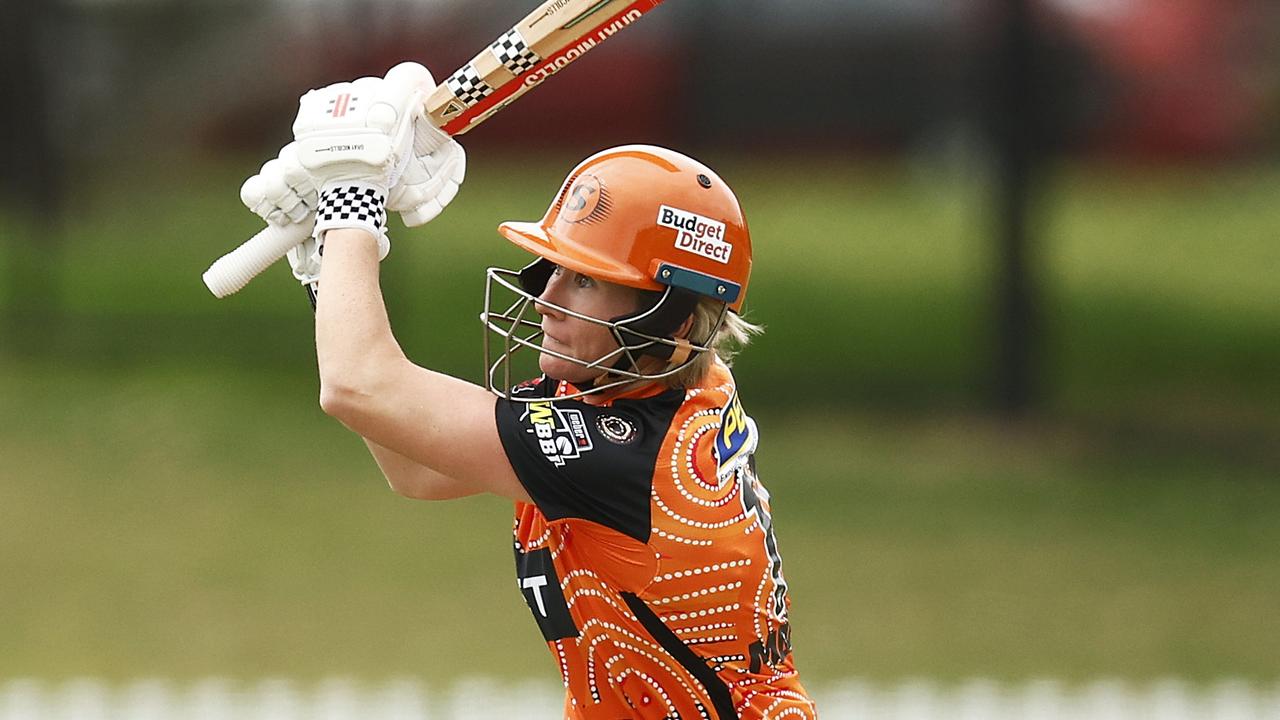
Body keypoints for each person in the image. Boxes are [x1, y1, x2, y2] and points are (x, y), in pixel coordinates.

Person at [240, 62, 816, 720]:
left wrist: (350, 202)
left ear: (674, 320)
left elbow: (357, 386)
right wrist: (325, 264)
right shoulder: (637, 391)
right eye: (555, 269)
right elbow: (415, 467)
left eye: (587, 281)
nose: (545, 298)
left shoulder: (622, 456)